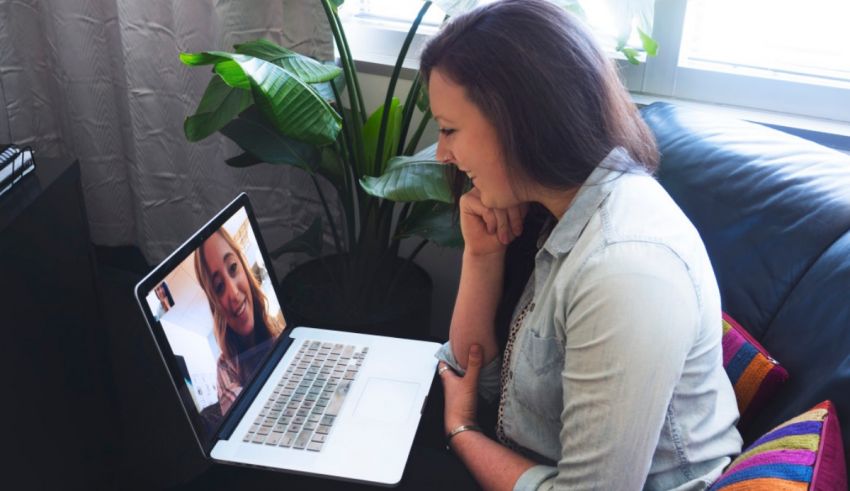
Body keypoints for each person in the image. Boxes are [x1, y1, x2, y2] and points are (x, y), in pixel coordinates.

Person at [422, 1, 743, 489]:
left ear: (520, 121)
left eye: (449, 130)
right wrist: (482, 256)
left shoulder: (624, 268)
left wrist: (461, 432)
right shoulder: (561, 211)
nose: (443, 153)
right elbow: (472, 377)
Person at [194, 227, 284, 414]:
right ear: (215, 305)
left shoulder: (279, 330)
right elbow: (254, 418)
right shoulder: (224, 370)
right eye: (219, 287)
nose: (234, 294)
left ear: (243, 266)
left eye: (233, 268)